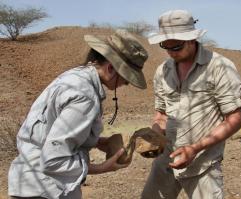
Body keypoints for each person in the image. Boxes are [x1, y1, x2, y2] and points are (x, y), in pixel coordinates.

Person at [8, 29, 148, 199]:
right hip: (47, 190)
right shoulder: (85, 96)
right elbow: (53, 160)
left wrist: (95, 141)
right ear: (111, 68)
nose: (125, 84)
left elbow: (51, 131)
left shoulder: (73, 77)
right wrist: (102, 168)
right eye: (126, 78)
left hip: (27, 183)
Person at [142, 10, 241, 199]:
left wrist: (195, 148)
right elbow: (161, 114)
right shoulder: (162, 71)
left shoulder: (219, 67)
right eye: (166, 46)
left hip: (203, 164)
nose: (171, 52)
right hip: (167, 159)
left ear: (191, 39)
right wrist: (154, 135)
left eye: (177, 47)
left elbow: (235, 119)